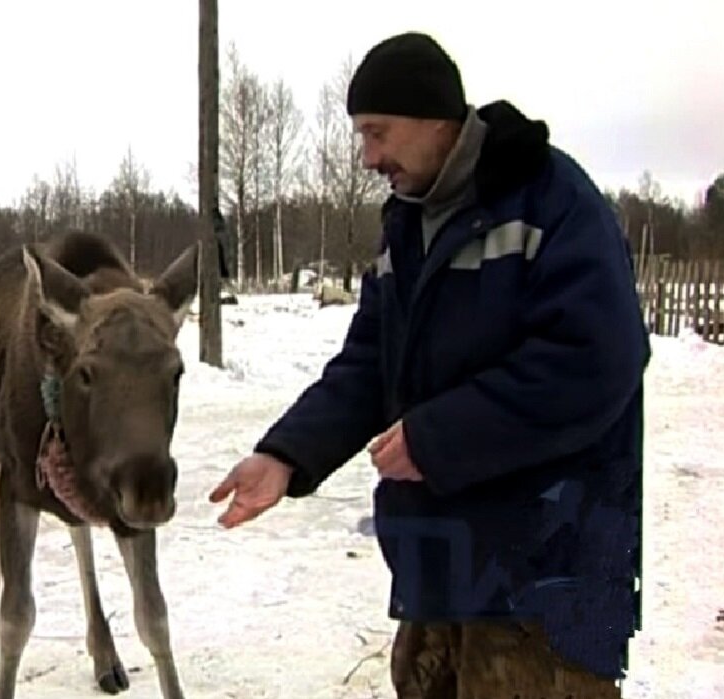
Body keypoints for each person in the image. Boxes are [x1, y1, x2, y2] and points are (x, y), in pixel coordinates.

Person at [208, 31, 650, 699]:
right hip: (441, 571)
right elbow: (367, 364)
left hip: (547, 578)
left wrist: (438, 438)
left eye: (377, 132)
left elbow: (596, 360)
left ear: (436, 119)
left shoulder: (550, 200)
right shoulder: (407, 227)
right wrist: (285, 456)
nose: (368, 157)